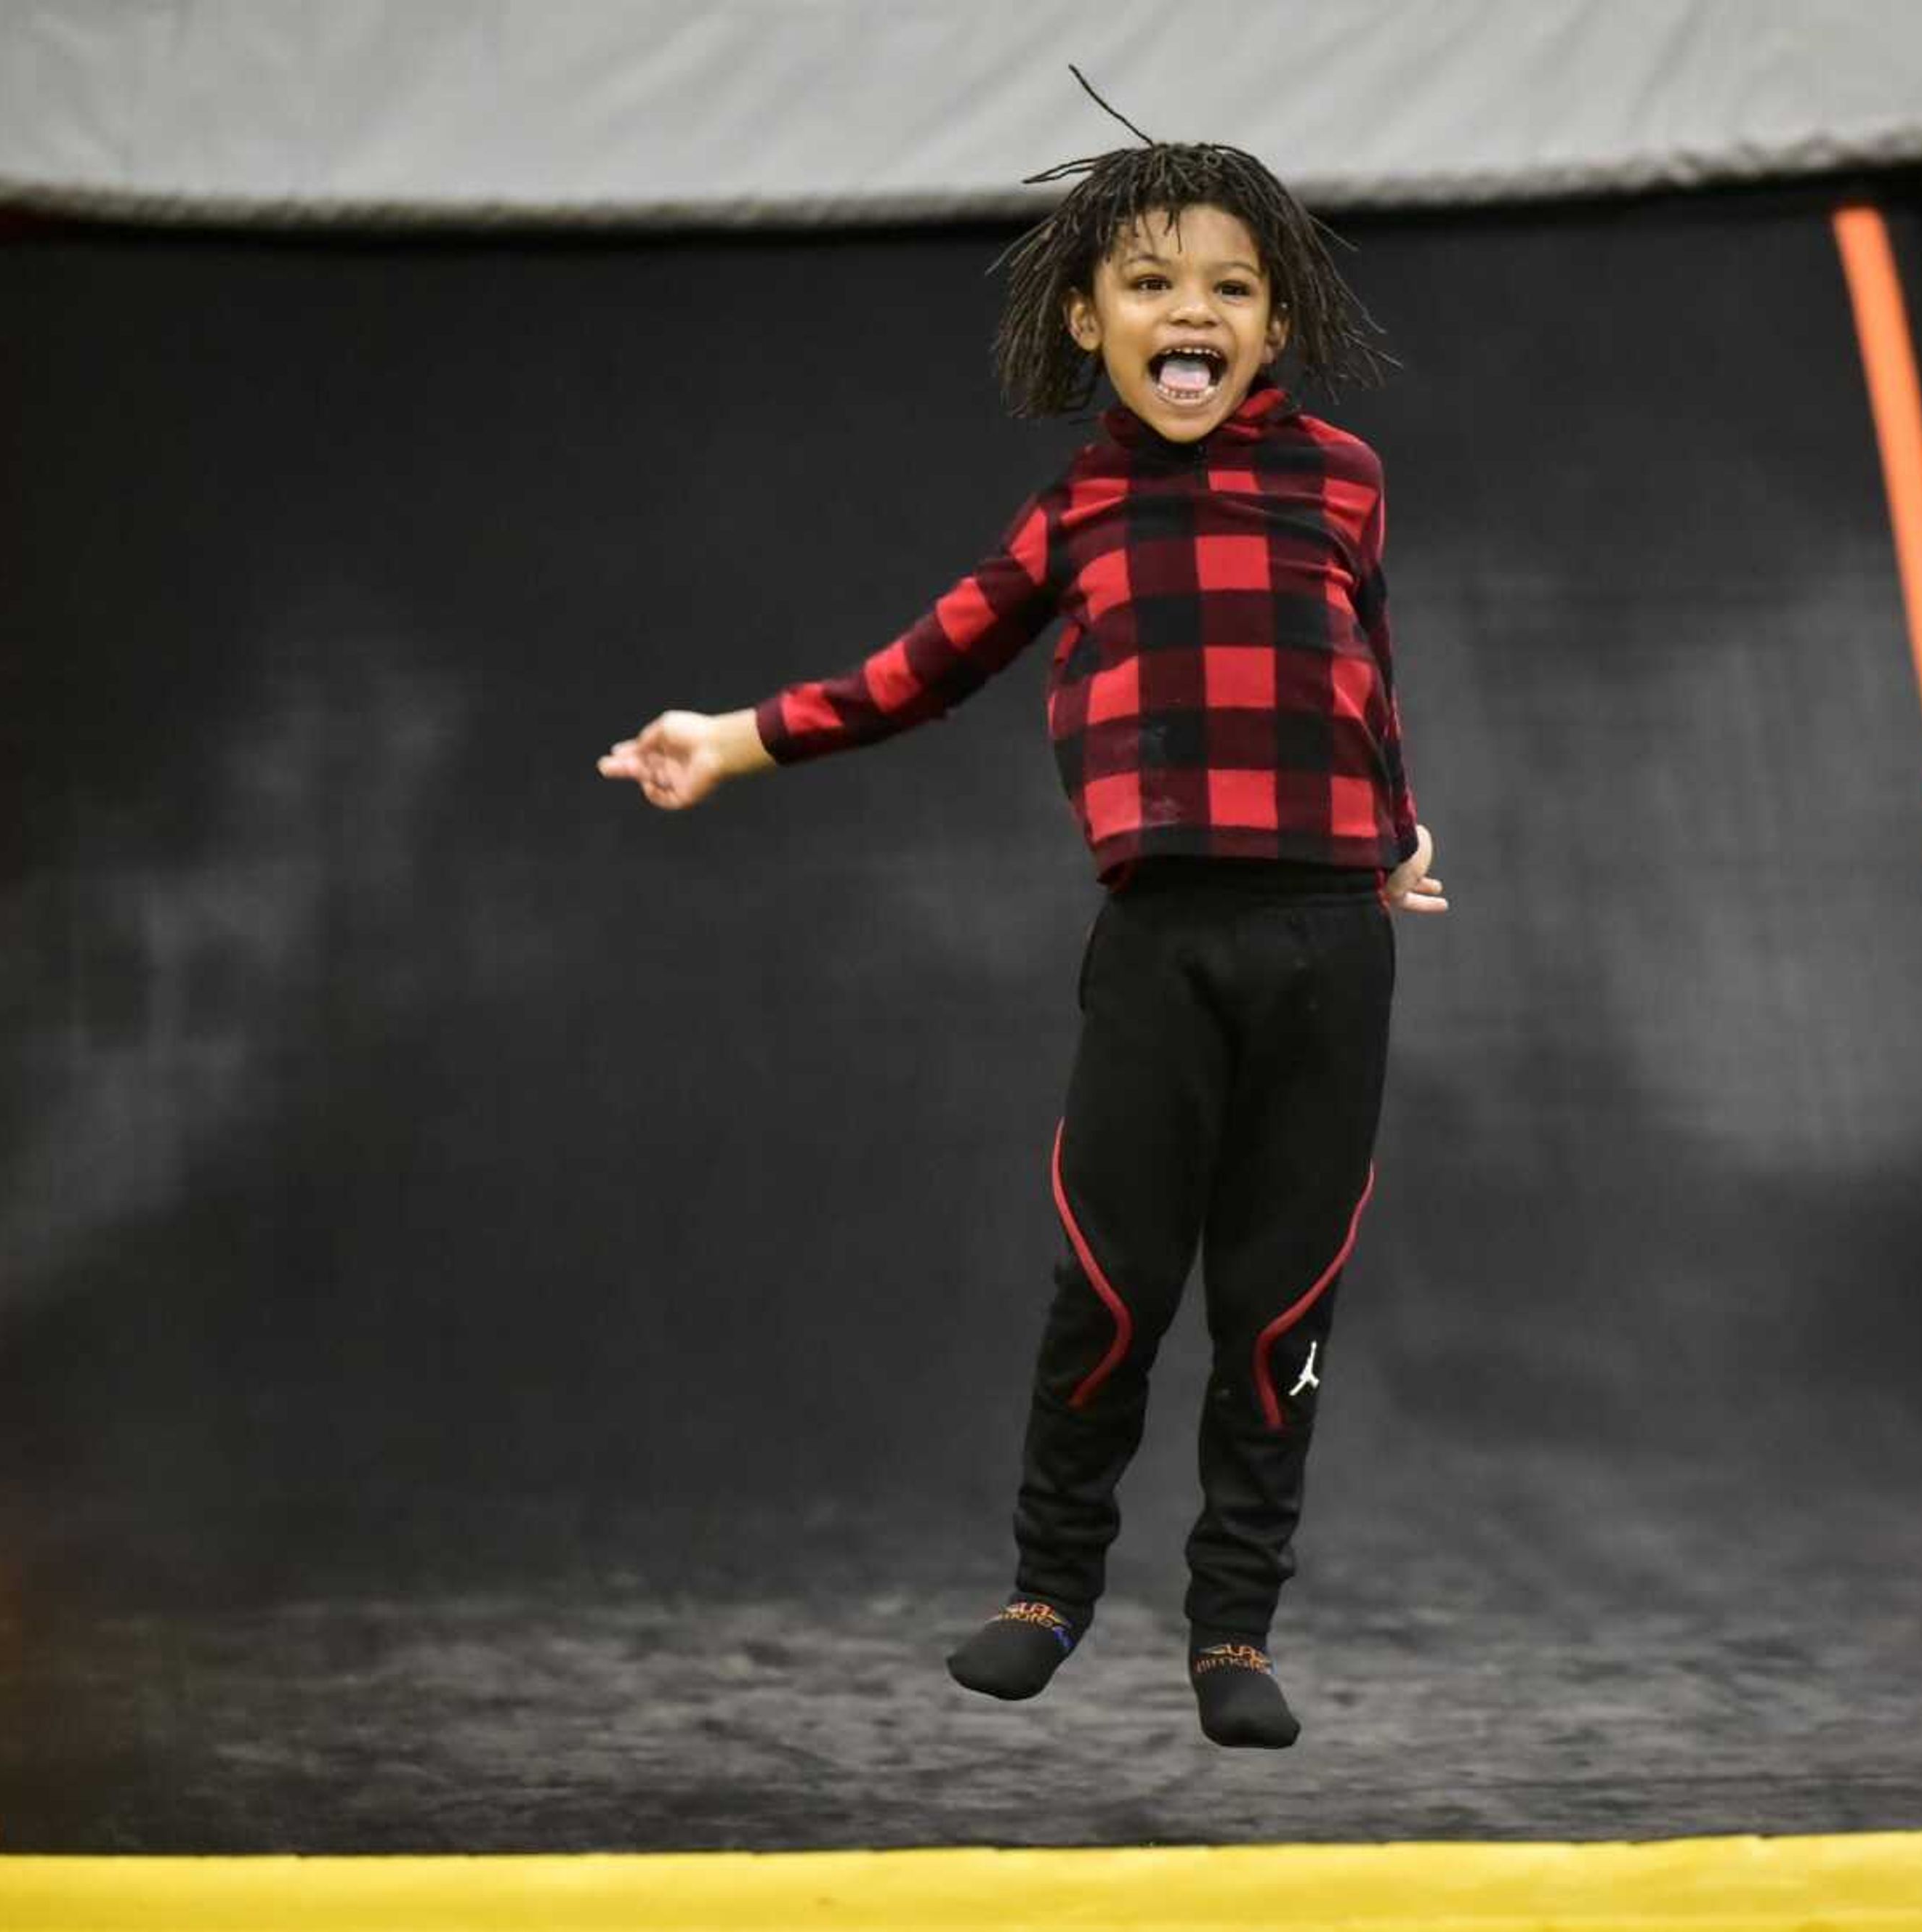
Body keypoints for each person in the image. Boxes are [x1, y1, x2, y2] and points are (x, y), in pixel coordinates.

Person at [597, 116, 1445, 1750]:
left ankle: (1233, 1631)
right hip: (1162, 946)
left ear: (1274, 323)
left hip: (1332, 946)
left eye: (1227, 288)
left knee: (1282, 1303)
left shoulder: (1345, 480)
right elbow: (918, 669)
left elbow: (1365, 665)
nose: (1188, 312)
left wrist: (1393, 827)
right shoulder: (1081, 514)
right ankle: (1050, 1589)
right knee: (1117, 1289)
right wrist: (737, 732)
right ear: (1089, 318)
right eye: (1148, 282)